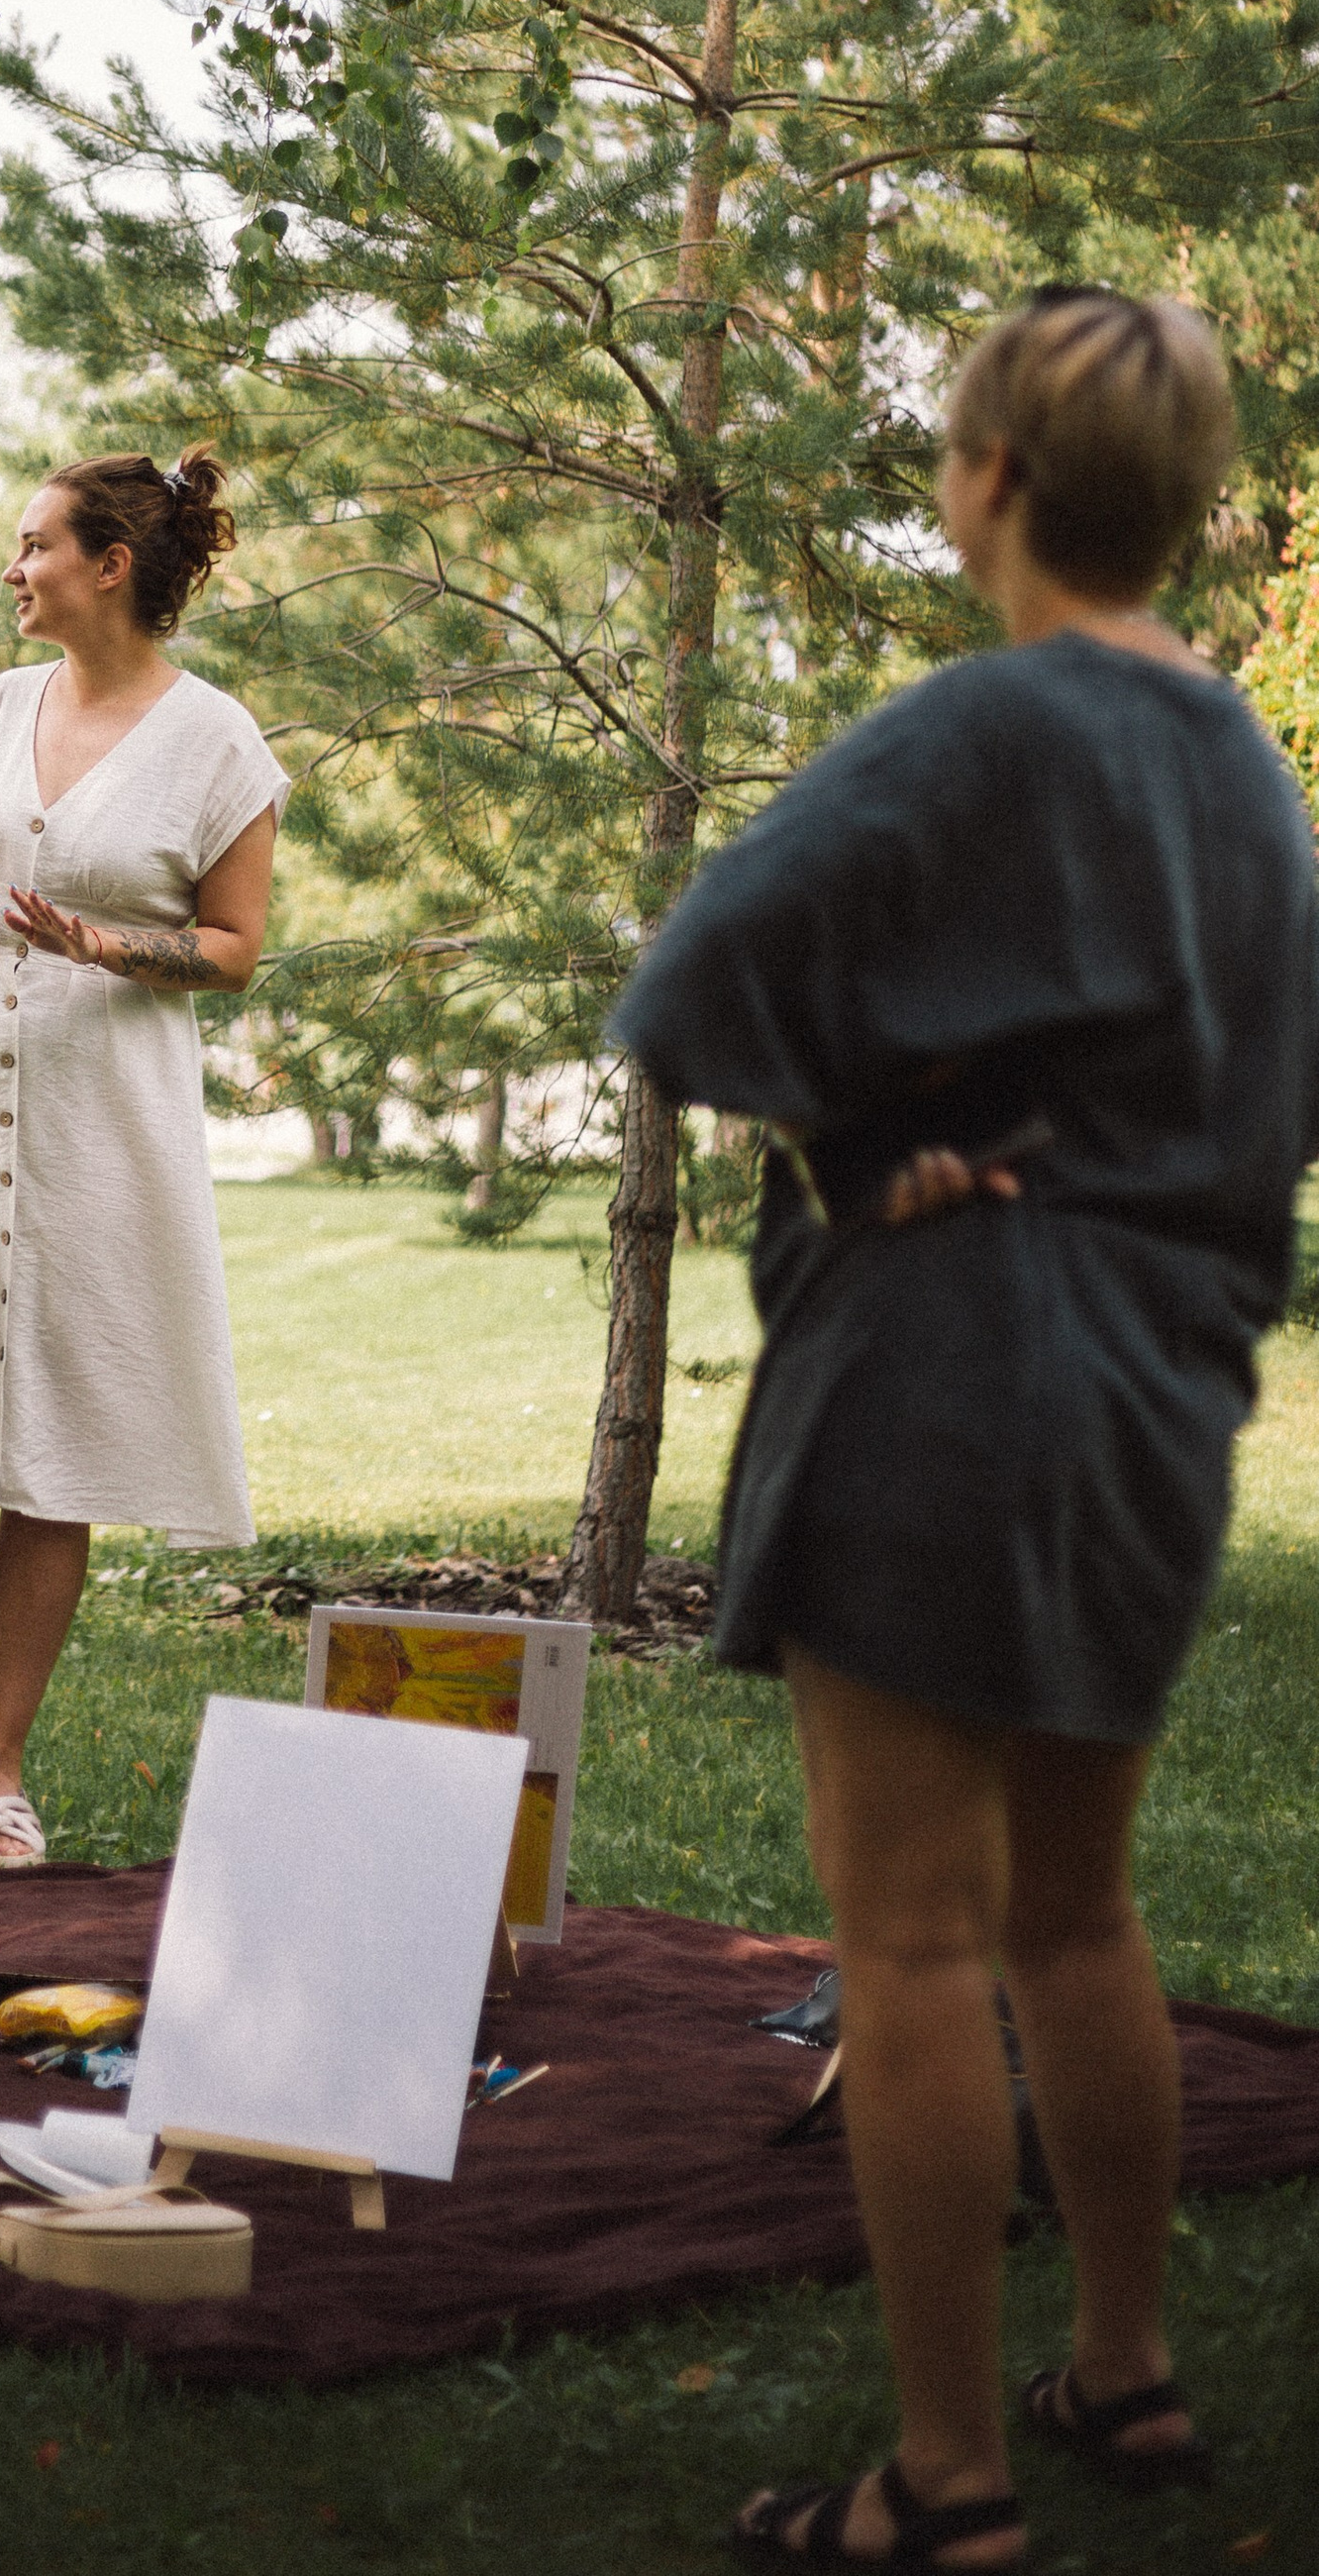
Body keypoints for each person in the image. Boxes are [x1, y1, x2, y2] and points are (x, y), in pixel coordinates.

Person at [609, 289, 1319, 2571]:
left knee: (911, 1941)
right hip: (1157, 1391)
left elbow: (687, 980)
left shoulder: (982, 722)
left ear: (988, 482)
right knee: (1076, 1914)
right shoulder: (1250, 776)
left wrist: (860, 1133)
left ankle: (941, 2485)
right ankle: (1121, 2368)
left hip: (946, 1366)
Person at [0, 449, 289, 1874]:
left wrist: (103, 943)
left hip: (102, 1109)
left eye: (35, 545)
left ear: (111, 566)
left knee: (57, 1439)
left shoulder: (218, 745)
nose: (13, 569)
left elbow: (233, 950)